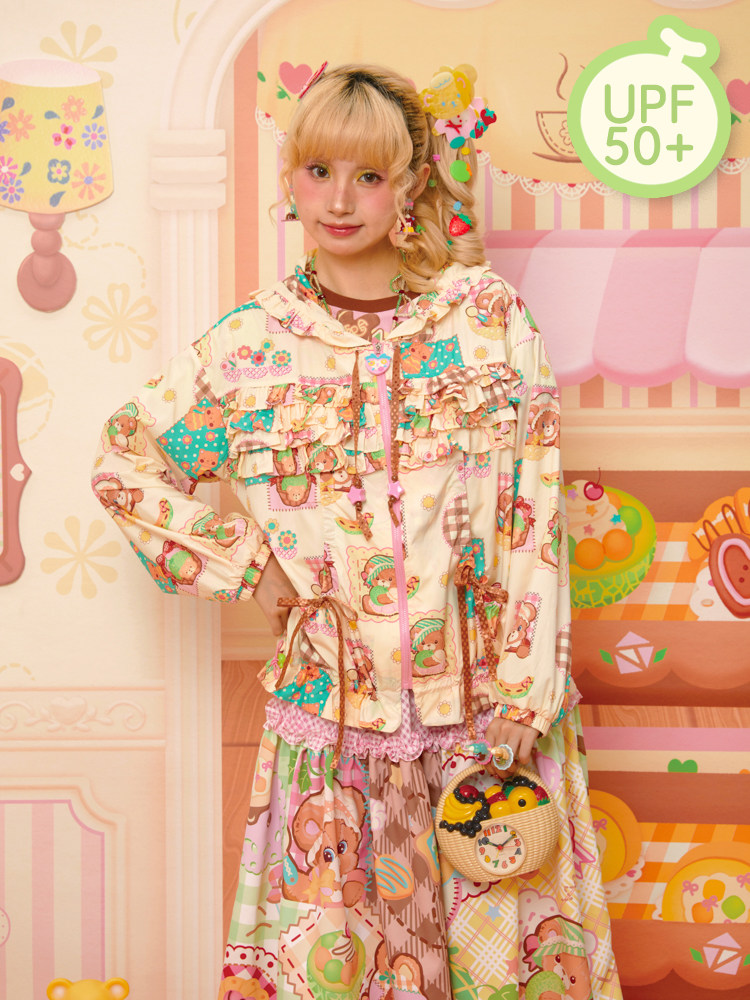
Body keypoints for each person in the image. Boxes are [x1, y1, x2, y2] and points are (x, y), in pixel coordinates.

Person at [92, 64, 621, 1000]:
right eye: (319, 171)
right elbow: (123, 463)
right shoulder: (246, 349)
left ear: (409, 184)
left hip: (489, 732)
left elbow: (535, 508)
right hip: (331, 735)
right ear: (290, 179)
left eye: (369, 176)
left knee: (514, 978)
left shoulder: (487, 320)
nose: (339, 200)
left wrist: (524, 692)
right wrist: (248, 567)